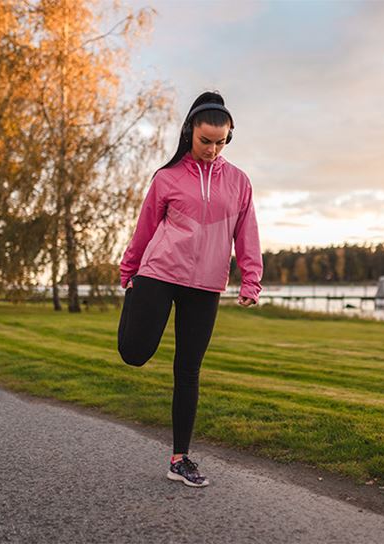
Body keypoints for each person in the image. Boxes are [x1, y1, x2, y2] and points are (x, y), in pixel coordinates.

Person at [116, 91, 262, 488]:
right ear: (189, 133)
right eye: (205, 141)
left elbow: (247, 234)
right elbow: (145, 227)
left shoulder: (239, 183)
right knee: (134, 353)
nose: (213, 149)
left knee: (188, 369)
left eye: (221, 141)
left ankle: (180, 458)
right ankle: (133, 304)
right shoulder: (167, 178)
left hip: (205, 285)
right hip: (159, 274)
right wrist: (130, 269)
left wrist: (251, 278)